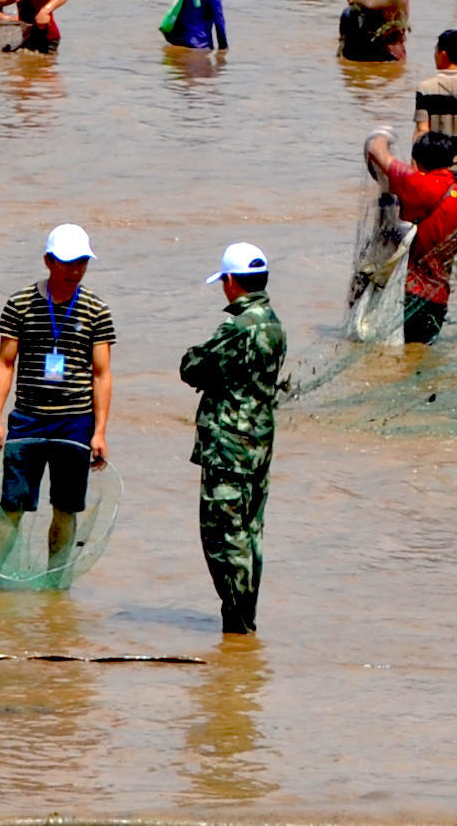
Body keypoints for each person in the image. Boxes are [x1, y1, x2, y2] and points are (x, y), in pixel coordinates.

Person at [0, 224, 112, 586]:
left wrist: (99, 431)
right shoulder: (20, 303)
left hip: (75, 423)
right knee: (12, 506)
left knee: (67, 508)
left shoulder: (95, 309)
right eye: (68, 262)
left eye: (82, 262)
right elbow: (5, 363)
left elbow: (102, 374)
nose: (75, 270)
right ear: (48, 261)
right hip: (28, 420)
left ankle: (57, 580)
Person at [179, 242, 285, 637]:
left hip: (229, 446)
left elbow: (193, 366)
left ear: (231, 282)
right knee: (249, 532)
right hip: (258, 441)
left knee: (222, 535)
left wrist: (197, 360)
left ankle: (239, 621)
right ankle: (243, 619)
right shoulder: (274, 323)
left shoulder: (237, 326)